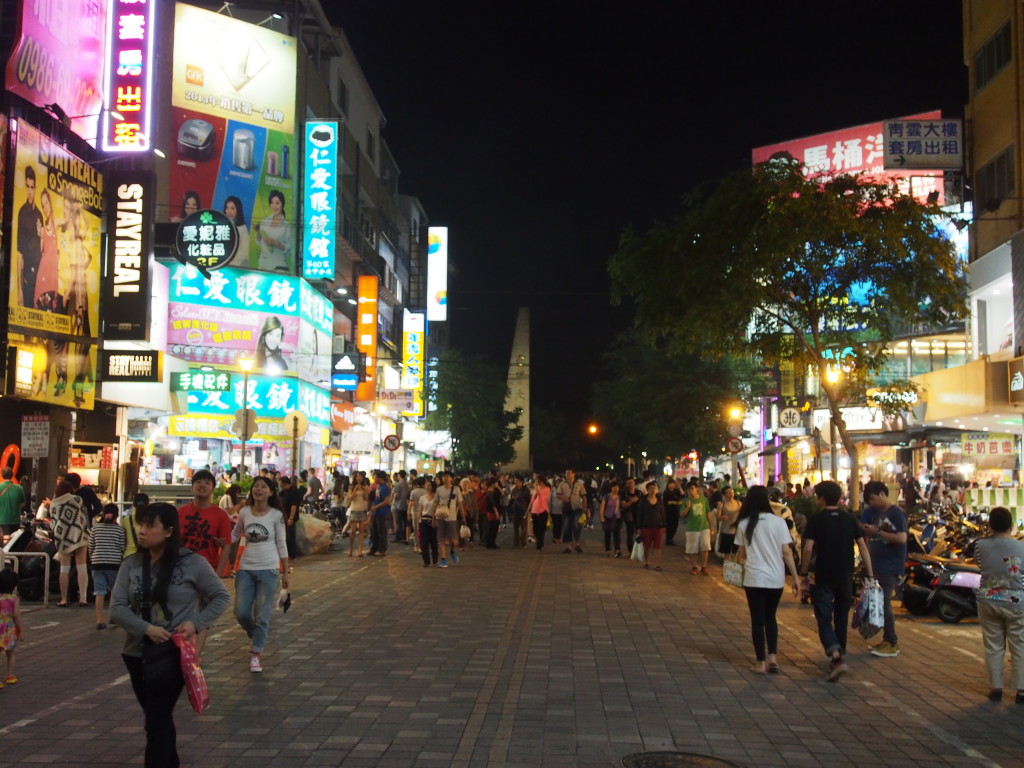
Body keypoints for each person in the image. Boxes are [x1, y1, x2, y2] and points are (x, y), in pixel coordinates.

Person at [110, 503, 230, 768]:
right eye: (140, 524)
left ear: (168, 531)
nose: (141, 531)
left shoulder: (192, 563)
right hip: (136, 653)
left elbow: (221, 597)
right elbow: (117, 608)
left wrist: (195, 623)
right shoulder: (131, 565)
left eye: (149, 525)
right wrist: (146, 629)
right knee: (158, 717)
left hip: (173, 655)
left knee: (156, 721)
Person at [800, 480, 874, 683]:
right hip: (845, 575)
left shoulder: (816, 519)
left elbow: (807, 549)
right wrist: (870, 574)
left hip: (824, 575)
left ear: (822, 498)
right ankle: (839, 655)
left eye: (817, 496)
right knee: (841, 615)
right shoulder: (849, 519)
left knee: (823, 616)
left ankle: (835, 655)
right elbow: (863, 547)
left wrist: (804, 572)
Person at [735, 486, 801, 674]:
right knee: (770, 617)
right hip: (775, 578)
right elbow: (786, 552)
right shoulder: (779, 522)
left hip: (754, 577)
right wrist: (795, 578)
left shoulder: (744, 523)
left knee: (757, 621)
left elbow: (741, 555)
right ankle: (773, 658)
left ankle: (760, 663)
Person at [231, 476, 289, 672]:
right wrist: (222, 542)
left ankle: (256, 653)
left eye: (264, 486)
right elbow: (235, 533)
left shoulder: (276, 515)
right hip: (245, 568)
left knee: (262, 615)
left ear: (271, 492)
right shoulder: (245, 512)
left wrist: (286, 571)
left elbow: (281, 542)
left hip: (269, 569)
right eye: (256, 486)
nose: (259, 489)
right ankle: (256, 635)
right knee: (241, 612)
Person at [177, 469, 232, 656]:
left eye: (207, 482)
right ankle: (182, 650)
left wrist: (217, 574)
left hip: (206, 570)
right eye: (198, 481)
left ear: (213, 489)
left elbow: (226, 546)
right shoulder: (181, 513)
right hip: (181, 570)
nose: (202, 485)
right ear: (192, 487)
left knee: (202, 614)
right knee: (181, 611)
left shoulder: (220, 515)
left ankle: (195, 656)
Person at [974, 506, 1024, 702]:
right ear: (1011, 525)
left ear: (990, 525)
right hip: (1017, 601)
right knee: (1020, 645)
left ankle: (996, 689)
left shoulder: (980, 545)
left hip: (988, 599)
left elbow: (980, 565)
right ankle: (1021, 690)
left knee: (993, 645)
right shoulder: (1022, 547)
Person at [860, 480, 908, 658]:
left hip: (890, 565)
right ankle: (887, 639)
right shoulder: (876, 512)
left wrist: (877, 532)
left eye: (873, 498)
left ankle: (891, 641)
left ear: (882, 494)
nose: (872, 502)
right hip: (878, 564)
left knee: (885, 602)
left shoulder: (896, 513)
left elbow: (902, 538)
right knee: (880, 602)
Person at [51, 480, 90, 606]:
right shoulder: (77, 499)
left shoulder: (54, 503)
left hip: (63, 538)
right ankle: (83, 599)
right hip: (78, 536)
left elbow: (53, 522)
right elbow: (84, 517)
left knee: (64, 569)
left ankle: (63, 599)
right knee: (81, 567)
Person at [90, 504, 127, 630]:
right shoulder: (120, 530)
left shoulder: (95, 528)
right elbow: (122, 548)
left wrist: (93, 557)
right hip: (114, 564)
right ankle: (113, 616)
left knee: (99, 592)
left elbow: (91, 547)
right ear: (116, 516)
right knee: (114, 591)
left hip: (97, 563)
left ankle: (99, 620)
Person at [17, 164, 43, 308]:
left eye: (32, 187)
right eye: (27, 186)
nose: (30, 191)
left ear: (35, 188)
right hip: (27, 279)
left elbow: (42, 249)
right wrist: (19, 290)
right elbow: (19, 254)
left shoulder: (40, 215)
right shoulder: (21, 213)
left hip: (39, 279)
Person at [253, 190, 294, 272]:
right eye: (272, 203)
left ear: (282, 204)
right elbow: (259, 242)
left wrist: (275, 243)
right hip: (263, 265)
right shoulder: (265, 221)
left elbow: (289, 248)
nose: (274, 206)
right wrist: (257, 231)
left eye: (277, 203)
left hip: (278, 267)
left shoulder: (287, 226)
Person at [682, 480, 714, 575]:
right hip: (692, 528)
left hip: (704, 527)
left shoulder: (703, 500)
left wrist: (711, 525)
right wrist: (687, 507)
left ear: (696, 489)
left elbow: (708, 512)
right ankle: (694, 566)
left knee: (705, 547)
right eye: (688, 489)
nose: (690, 491)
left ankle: (704, 566)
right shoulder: (686, 501)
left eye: (692, 488)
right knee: (692, 549)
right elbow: (681, 514)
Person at [435, 472, 464, 567]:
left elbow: (460, 503)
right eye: (444, 477)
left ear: (452, 478)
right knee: (441, 539)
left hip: (452, 517)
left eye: (447, 477)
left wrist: (463, 516)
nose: (445, 478)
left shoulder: (456, 489)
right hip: (440, 516)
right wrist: (434, 516)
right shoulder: (439, 489)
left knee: (453, 540)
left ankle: (452, 550)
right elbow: (435, 502)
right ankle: (443, 560)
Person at [556, 468, 588, 554]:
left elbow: (584, 495)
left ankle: (577, 544)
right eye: (566, 473)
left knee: (576, 525)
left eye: (569, 473)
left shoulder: (579, 484)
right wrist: (563, 498)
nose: (567, 475)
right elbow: (558, 494)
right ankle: (568, 546)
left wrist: (585, 506)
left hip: (577, 507)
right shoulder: (562, 484)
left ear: (573, 474)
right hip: (566, 508)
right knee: (566, 526)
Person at [636, 480, 666, 570]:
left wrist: (664, 525)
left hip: (658, 526)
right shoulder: (643, 501)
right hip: (646, 526)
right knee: (647, 546)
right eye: (651, 488)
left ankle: (657, 564)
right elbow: (639, 514)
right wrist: (639, 527)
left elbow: (663, 513)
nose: (653, 490)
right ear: (647, 490)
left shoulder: (659, 501)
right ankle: (646, 561)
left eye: (654, 488)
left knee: (658, 546)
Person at [279, 475, 304, 563]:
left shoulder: (294, 492)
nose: (281, 487)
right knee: (286, 535)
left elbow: (294, 506)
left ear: (286, 484)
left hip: (291, 517)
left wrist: (291, 518)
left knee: (290, 536)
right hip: (284, 516)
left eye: (282, 485)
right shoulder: (284, 491)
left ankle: (292, 554)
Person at [346, 473, 369, 557]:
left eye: (360, 477)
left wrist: (364, 490)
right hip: (354, 509)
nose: (359, 478)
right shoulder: (351, 487)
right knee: (353, 530)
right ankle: (350, 548)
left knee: (362, 531)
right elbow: (350, 498)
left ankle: (360, 550)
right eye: (357, 476)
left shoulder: (365, 486)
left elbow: (366, 498)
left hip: (362, 509)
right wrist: (355, 489)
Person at [0, 468, 26, 542]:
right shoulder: (19, 488)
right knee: (14, 541)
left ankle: (5, 553)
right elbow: (23, 503)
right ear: (12, 475)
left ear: (2, 475)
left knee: (6, 541)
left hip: (2, 519)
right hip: (15, 519)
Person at [369, 471, 392, 557]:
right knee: (374, 531)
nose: (374, 478)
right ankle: (375, 548)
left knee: (381, 531)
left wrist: (376, 507)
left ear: (380, 478)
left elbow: (386, 501)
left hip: (382, 512)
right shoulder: (378, 486)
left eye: (375, 476)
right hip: (376, 512)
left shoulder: (385, 488)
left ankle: (382, 549)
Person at [223, 195, 249, 266]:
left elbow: (246, 253)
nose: (229, 211)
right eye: (227, 208)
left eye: (232, 208)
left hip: (235, 266)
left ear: (238, 210)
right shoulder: (222, 227)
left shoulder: (243, 229)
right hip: (222, 265)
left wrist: (229, 253)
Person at [418, 479, 439, 567]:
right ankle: (426, 560)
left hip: (433, 520)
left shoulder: (436, 497)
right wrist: (419, 519)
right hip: (424, 520)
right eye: (427, 485)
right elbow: (420, 509)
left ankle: (435, 557)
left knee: (433, 541)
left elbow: (437, 509)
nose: (427, 486)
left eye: (429, 485)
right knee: (424, 542)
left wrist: (435, 520)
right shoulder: (422, 498)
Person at [717, 485, 741, 560]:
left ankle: (734, 567)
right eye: (728, 492)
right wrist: (722, 517)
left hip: (736, 531)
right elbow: (718, 517)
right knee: (727, 552)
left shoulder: (738, 503)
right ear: (724, 494)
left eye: (732, 492)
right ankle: (728, 567)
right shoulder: (722, 504)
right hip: (726, 530)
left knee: (736, 551)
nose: (731, 494)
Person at [600, 480, 623, 557]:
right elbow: (602, 507)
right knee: (607, 534)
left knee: (617, 534)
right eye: (614, 487)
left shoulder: (619, 497)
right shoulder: (606, 496)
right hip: (608, 517)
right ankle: (608, 549)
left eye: (617, 487)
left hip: (617, 518)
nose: (616, 489)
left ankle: (617, 549)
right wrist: (602, 517)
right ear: (611, 488)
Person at [529, 474, 552, 551]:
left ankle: (540, 544)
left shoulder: (547, 489)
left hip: (542, 510)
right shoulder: (537, 488)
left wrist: (536, 487)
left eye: (537, 481)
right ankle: (539, 541)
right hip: (534, 510)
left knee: (541, 528)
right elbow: (533, 498)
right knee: (535, 528)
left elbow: (541, 496)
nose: (536, 483)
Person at [122, 493, 148, 559]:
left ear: (133, 505)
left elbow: (122, 540)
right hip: (145, 556)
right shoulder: (150, 520)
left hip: (128, 556)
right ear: (147, 504)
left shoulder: (126, 520)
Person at [509, 475, 531, 548]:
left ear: (521, 482)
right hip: (515, 510)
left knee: (524, 528)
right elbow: (511, 501)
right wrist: (512, 499)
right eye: (515, 481)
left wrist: (528, 510)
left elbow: (529, 500)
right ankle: (516, 543)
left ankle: (523, 543)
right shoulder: (514, 490)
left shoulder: (526, 490)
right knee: (515, 528)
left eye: (517, 481)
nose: (515, 482)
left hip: (523, 510)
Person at [391, 470, 411, 544]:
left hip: (399, 505)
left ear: (399, 475)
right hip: (406, 505)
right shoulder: (407, 484)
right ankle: (404, 536)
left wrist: (393, 502)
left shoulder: (398, 484)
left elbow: (396, 495)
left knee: (399, 521)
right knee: (405, 522)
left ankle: (398, 537)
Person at [662, 478, 683, 546]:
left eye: (673, 484)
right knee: (669, 526)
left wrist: (679, 487)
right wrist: (674, 502)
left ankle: (671, 538)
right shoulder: (666, 492)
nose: (672, 485)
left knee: (675, 525)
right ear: (668, 485)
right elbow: (666, 502)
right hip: (668, 511)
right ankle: (668, 540)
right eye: (671, 484)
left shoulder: (676, 491)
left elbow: (682, 495)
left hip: (675, 511)